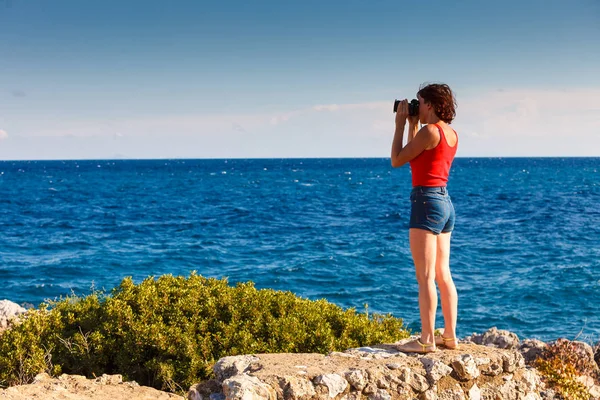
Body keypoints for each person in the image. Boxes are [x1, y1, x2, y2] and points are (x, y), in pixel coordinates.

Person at [390, 83, 459, 353]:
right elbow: (417, 154)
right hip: (444, 202)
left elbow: (397, 159)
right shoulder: (449, 133)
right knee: (443, 274)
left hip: (425, 201)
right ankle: (450, 336)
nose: (416, 107)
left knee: (425, 277)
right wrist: (412, 124)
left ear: (429, 104)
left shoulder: (430, 131)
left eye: (419, 102)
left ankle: (426, 340)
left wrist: (399, 124)